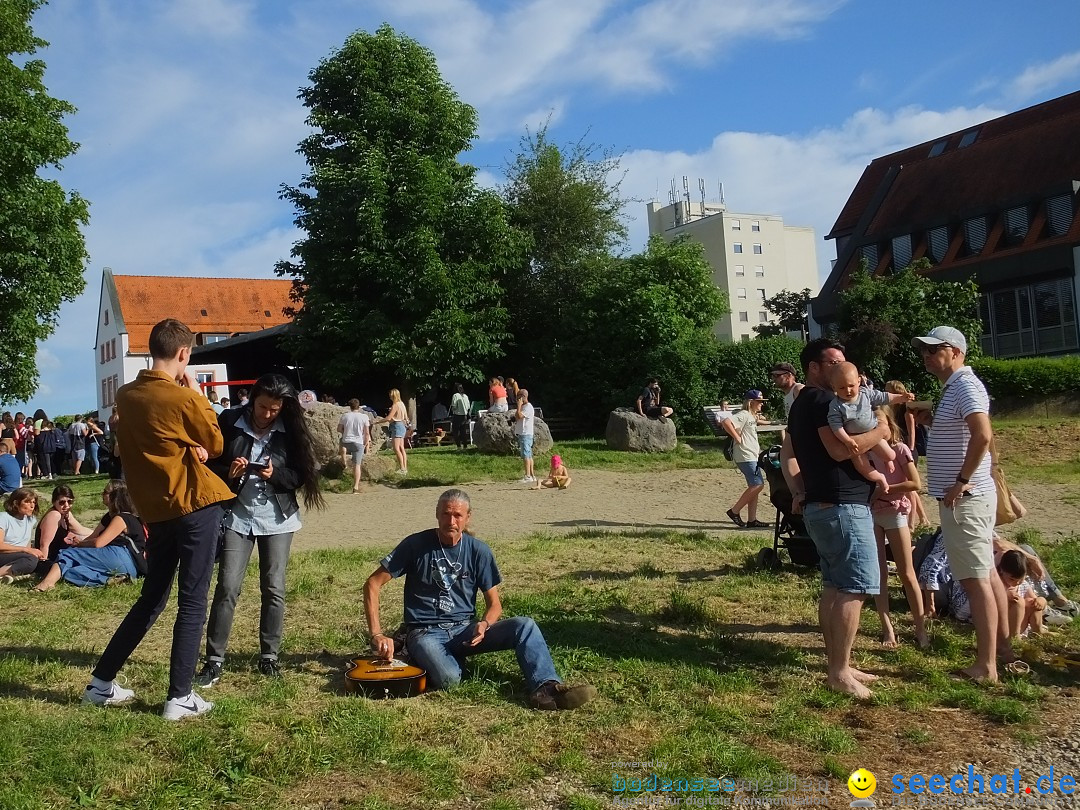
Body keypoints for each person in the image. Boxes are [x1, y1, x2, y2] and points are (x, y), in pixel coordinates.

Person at [82, 318, 233, 721]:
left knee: (152, 598)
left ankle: (100, 684)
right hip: (194, 505)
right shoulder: (182, 398)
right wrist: (196, 393)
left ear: (152, 349)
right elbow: (215, 442)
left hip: (156, 510)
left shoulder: (127, 397)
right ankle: (178, 696)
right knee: (193, 600)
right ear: (184, 354)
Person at [363, 489, 596, 710]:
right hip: (424, 632)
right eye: (445, 514)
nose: (451, 521)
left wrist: (484, 625)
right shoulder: (415, 545)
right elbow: (372, 584)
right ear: (436, 513)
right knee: (450, 679)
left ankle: (545, 688)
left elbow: (494, 604)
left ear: (468, 518)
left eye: (457, 515)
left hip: (465, 630)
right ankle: (423, 657)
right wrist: (377, 634)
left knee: (525, 626)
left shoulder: (479, 551)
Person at [195, 374, 326, 687]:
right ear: (252, 399)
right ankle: (213, 661)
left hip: (278, 518)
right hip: (237, 516)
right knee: (227, 587)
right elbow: (209, 465)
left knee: (274, 588)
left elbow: (299, 475)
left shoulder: (290, 431)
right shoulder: (229, 421)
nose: (267, 414)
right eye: (263, 407)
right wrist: (231, 472)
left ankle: (269, 657)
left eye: (274, 409)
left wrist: (274, 475)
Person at [781, 338, 891, 699]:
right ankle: (839, 673)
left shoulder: (800, 404)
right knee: (854, 588)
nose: (844, 370)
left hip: (823, 506)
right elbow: (840, 450)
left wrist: (798, 490)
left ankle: (838, 663)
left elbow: (790, 455)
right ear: (814, 368)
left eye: (846, 362)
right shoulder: (824, 401)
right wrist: (882, 431)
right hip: (842, 506)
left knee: (834, 587)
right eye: (834, 363)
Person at [913, 325, 1013, 683]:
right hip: (966, 498)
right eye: (924, 350)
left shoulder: (966, 385)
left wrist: (961, 481)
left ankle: (986, 666)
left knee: (974, 580)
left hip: (965, 499)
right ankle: (1001, 650)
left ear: (955, 351)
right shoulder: (954, 388)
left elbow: (983, 434)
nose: (926, 355)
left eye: (933, 349)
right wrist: (933, 422)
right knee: (984, 573)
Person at [868, 407, 929, 650]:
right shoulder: (867, 453)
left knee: (907, 573)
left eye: (879, 422)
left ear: (889, 425)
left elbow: (915, 483)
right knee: (878, 575)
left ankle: (920, 628)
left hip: (894, 513)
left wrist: (886, 490)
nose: (875, 427)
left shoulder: (900, 449)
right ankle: (887, 628)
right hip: (872, 514)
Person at [32, 480, 147, 592]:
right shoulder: (131, 518)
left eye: (106, 493)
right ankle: (110, 580)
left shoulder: (121, 518)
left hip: (121, 556)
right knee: (72, 569)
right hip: (131, 569)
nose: (102, 495)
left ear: (115, 498)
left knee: (67, 554)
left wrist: (79, 544)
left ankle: (47, 583)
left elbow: (98, 543)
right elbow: (89, 534)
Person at [826, 362, 913, 495]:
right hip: (855, 441)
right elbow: (836, 426)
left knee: (891, 455)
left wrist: (901, 397)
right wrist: (847, 440)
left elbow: (884, 397)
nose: (848, 391)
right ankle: (880, 478)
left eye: (851, 386)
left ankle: (887, 461)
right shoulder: (836, 405)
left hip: (873, 434)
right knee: (863, 467)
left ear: (859, 381)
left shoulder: (865, 394)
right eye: (842, 388)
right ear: (834, 387)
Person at [884, 380, 931, 528]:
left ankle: (911, 523)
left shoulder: (907, 410)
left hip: (908, 451)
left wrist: (909, 451)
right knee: (909, 488)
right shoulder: (893, 409)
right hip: (901, 450)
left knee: (909, 486)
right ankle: (923, 518)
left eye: (888, 390)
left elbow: (912, 433)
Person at [726, 390, 770, 529]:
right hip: (745, 455)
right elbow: (726, 421)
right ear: (751, 402)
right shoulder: (744, 414)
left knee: (754, 486)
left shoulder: (751, 416)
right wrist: (737, 437)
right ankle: (734, 511)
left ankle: (752, 520)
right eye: (760, 402)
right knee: (758, 484)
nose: (761, 405)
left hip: (751, 455)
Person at [996, 550, 1047, 640]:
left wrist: (1041, 601)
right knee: (1018, 602)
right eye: (1012, 579)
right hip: (1003, 625)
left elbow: (1034, 600)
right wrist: (1004, 596)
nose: (1017, 582)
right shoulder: (997, 585)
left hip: (1022, 624)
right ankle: (1014, 637)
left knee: (1033, 602)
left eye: (1021, 579)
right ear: (1001, 571)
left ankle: (1038, 631)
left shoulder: (1023, 585)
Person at [35, 485, 92, 562]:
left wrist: (101, 535)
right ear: (54, 502)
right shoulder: (54, 515)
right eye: (62, 502)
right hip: (53, 556)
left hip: (63, 552)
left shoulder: (66, 514)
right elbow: (44, 545)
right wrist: (43, 564)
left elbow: (81, 531)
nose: (66, 505)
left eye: (69, 502)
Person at [0, 488, 44, 584]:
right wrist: (26, 550)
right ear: (16, 503)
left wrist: (31, 551)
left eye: (34, 502)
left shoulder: (30, 520)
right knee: (30, 559)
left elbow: (27, 542)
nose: (32, 506)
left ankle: (8, 575)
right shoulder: (4, 518)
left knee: (42, 563)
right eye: (27, 502)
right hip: (3, 554)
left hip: (18, 555)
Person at [338, 398, 372, 494]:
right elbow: (366, 433)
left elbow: (339, 429)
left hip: (346, 441)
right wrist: (365, 443)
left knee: (341, 441)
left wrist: (345, 432)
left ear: (350, 406)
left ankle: (343, 459)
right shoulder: (364, 417)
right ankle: (356, 487)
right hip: (358, 442)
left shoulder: (345, 416)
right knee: (357, 465)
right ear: (359, 406)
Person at [515, 388, 536, 484]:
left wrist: (519, 406)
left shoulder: (528, 407)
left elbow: (519, 416)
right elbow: (516, 416)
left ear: (524, 397)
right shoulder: (524, 407)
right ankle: (531, 475)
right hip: (523, 433)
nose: (517, 399)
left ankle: (528, 475)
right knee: (528, 454)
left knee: (526, 455)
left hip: (526, 433)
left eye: (519, 397)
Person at [387, 388, 409, 475]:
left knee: (396, 448)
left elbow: (388, 418)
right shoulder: (402, 404)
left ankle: (402, 468)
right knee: (401, 448)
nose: (389, 397)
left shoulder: (395, 405)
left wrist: (376, 421)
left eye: (390, 395)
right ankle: (404, 468)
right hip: (402, 426)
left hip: (396, 426)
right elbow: (405, 417)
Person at [450, 384, 471, 449]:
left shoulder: (455, 395)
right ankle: (465, 446)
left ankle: (459, 446)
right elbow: (468, 407)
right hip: (464, 415)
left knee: (455, 431)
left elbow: (454, 406)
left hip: (457, 415)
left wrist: (452, 409)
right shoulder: (465, 396)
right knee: (463, 431)